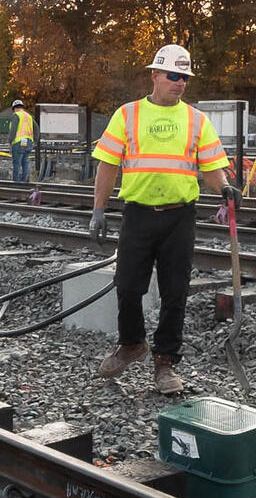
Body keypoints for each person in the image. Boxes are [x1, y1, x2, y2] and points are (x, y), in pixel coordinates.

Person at [89, 44, 229, 395]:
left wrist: (226, 188)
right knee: (128, 285)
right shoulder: (128, 115)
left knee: (175, 292)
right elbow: (108, 164)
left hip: (179, 217)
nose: (180, 83)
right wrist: (99, 208)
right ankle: (132, 343)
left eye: (184, 77)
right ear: (155, 75)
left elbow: (212, 167)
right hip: (138, 213)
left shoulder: (197, 120)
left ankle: (165, 362)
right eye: (173, 75)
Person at [9, 98, 36, 183]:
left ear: (14, 108)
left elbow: (13, 129)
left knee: (17, 163)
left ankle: (16, 182)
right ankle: (24, 181)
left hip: (18, 142)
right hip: (28, 142)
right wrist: (35, 140)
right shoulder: (29, 116)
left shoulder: (16, 115)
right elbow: (37, 129)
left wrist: (10, 141)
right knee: (25, 162)